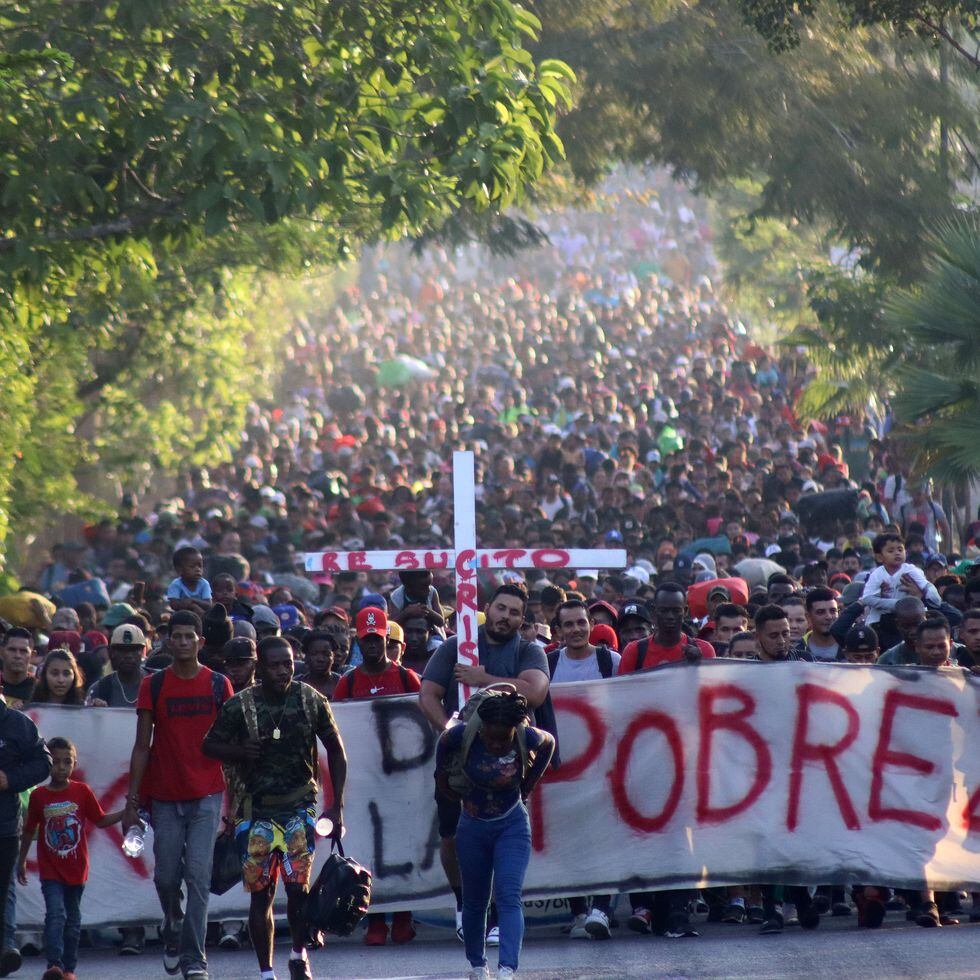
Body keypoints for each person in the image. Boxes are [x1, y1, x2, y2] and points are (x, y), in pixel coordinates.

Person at [203, 636, 348, 980]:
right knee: (261, 896)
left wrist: (336, 805)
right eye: (275, 665)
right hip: (255, 812)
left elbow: (336, 750)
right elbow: (208, 746)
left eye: (288, 663)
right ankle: (266, 972)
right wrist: (240, 752)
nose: (284, 671)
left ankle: (298, 955)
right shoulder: (240, 706)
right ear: (259, 668)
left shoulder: (310, 700)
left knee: (298, 890)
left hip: (299, 805)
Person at [420, 583, 550, 943]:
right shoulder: (455, 646)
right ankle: (465, 905)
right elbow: (427, 695)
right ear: (488, 607)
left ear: (522, 619)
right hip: (457, 766)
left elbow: (535, 691)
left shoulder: (528, 651)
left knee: (498, 841)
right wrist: (451, 731)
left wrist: (485, 681)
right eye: (501, 608)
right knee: (451, 835)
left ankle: (492, 915)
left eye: (513, 613)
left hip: (507, 767)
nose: (505, 617)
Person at [122, 609, 233, 980]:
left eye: (190, 636)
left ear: (200, 642)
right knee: (167, 878)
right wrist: (132, 801)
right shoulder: (152, 686)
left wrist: (234, 803)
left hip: (207, 793)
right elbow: (141, 746)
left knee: (199, 877)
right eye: (177, 636)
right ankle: (173, 929)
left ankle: (195, 959)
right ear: (167, 641)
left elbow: (230, 745)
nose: (183, 642)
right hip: (165, 795)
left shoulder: (219, 684)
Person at [435, 689, 554, 980]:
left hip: (511, 825)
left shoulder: (528, 738)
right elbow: (442, 745)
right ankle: (478, 964)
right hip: (472, 827)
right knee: (475, 900)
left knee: (508, 895)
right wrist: (441, 778)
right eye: (491, 738)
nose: (498, 744)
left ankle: (507, 969)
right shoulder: (461, 736)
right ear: (481, 729)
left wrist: (528, 784)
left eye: (505, 739)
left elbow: (549, 742)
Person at [332, 607, 419, 946]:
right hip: (363, 783)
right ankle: (375, 920)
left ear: (387, 638)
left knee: (401, 848)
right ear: (358, 640)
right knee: (367, 851)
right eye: (366, 639)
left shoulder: (407, 678)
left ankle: (403, 918)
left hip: (400, 782)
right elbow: (335, 734)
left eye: (377, 638)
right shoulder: (348, 682)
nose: (372, 644)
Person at [17, 736, 123, 980]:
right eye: (55, 762)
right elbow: (29, 829)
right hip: (51, 869)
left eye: (67, 762)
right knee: (56, 914)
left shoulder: (81, 791)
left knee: (73, 921)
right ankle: (53, 964)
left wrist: (124, 813)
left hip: (77, 869)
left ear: (74, 765)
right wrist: (22, 859)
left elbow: (101, 819)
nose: (61, 767)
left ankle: (69, 969)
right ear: (48, 764)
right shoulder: (39, 796)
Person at [548, 599, 619, 939]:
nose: (576, 630)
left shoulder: (611, 662)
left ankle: (601, 909)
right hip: (563, 771)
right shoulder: (547, 665)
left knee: (606, 840)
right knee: (568, 841)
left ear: (590, 624)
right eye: (569, 625)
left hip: (605, 770)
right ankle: (578, 911)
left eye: (581, 623)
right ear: (558, 631)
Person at [0, 677, 51, 977]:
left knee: (3, 888)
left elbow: (43, 763)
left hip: (4, 824)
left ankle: (5, 947)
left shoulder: (19, 725)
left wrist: (9, 779)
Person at [617, 584, 715, 674]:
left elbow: (712, 689)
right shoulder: (634, 651)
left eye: (676, 611)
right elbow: (623, 690)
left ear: (685, 611)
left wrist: (700, 665)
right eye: (664, 610)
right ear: (655, 611)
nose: (670, 616)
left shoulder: (704, 650)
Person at [861, 533, 939, 627]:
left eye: (900, 549)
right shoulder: (876, 574)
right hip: (881, 620)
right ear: (879, 557)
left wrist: (933, 595)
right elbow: (867, 598)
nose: (897, 553)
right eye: (891, 551)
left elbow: (926, 586)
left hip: (909, 617)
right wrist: (896, 604)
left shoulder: (911, 569)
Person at [86, 625, 149, 708]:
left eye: (134, 649)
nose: (128, 655)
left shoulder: (157, 683)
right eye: (122, 650)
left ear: (142, 651)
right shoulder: (100, 689)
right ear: (112, 653)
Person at [792, 588, 840, 662]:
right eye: (820, 612)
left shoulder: (851, 645)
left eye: (833, 611)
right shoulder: (796, 652)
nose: (829, 617)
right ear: (808, 617)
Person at [165, 546, 212, 616]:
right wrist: (193, 606)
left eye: (200, 566)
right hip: (181, 618)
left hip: (201, 617)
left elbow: (208, 605)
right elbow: (174, 605)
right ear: (179, 570)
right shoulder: (176, 584)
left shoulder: (204, 583)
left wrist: (192, 600)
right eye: (192, 566)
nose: (198, 569)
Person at [297, 631, 340, 699]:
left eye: (326, 654)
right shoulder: (296, 685)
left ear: (333, 657)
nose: (320, 659)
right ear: (306, 657)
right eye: (314, 654)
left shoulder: (342, 683)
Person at [1, 629, 37, 709]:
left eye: (23, 651)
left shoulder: (40, 689)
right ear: (1, 652)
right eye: (12, 650)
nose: (18, 656)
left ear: (32, 655)